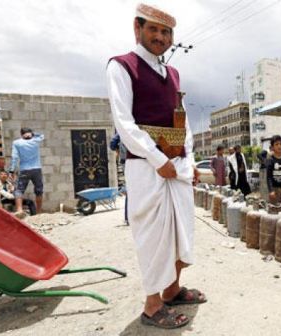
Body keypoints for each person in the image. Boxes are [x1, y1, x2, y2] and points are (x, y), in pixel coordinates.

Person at [106, 3, 205, 329]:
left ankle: (173, 290)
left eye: (166, 32)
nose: (160, 37)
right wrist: (158, 159)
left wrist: (187, 161)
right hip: (147, 168)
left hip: (176, 166)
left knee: (180, 231)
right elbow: (124, 123)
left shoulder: (173, 73)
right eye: (154, 29)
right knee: (154, 235)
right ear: (138, 28)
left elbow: (184, 123)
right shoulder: (122, 66)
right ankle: (151, 307)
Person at [8, 127, 44, 216]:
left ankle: (20, 210)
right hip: (37, 169)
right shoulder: (35, 140)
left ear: (21, 134)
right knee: (39, 190)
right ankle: (39, 211)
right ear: (30, 133)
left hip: (24, 169)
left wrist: (11, 171)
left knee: (19, 190)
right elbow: (42, 136)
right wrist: (33, 134)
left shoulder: (17, 143)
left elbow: (14, 157)